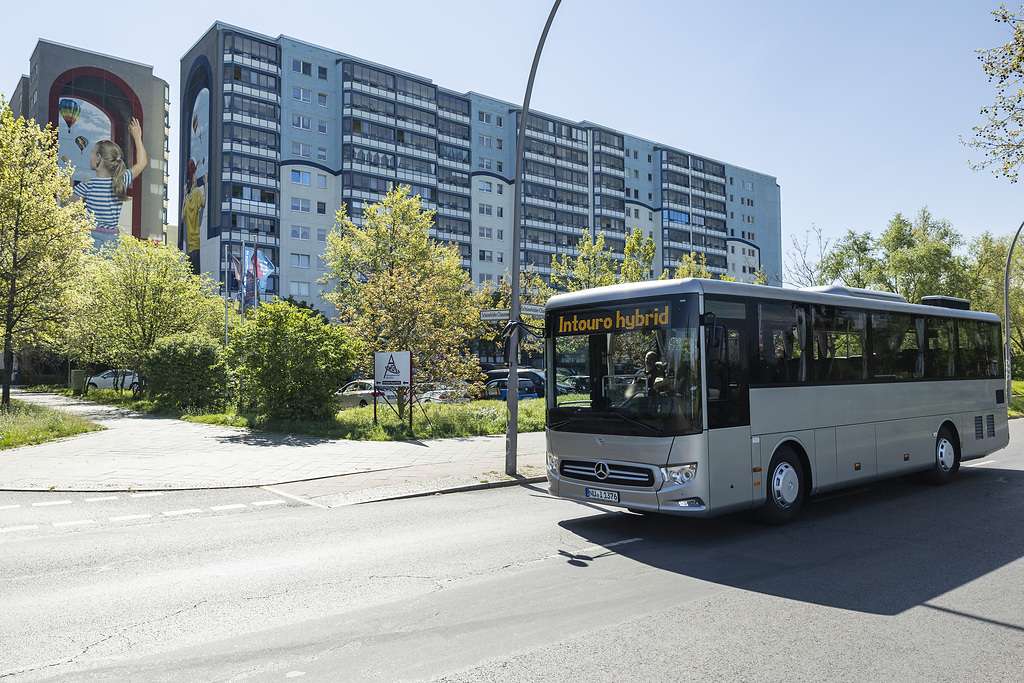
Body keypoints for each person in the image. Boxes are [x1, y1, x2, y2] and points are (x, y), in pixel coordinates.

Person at [70, 117, 148, 247]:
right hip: (113, 238)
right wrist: (137, 136)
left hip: (91, 236)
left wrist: (70, 187)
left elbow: (71, 210)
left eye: (92, 153)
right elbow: (141, 163)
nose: (90, 157)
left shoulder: (88, 185)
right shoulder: (121, 181)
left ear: (98, 158)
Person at [181, 159, 207, 273]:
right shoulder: (197, 192)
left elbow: (182, 218)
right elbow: (203, 203)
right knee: (197, 280)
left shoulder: (188, 198)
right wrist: (205, 185)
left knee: (191, 280)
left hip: (190, 249)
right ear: (193, 177)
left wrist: (183, 197)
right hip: (196, 244)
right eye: (196, 173)